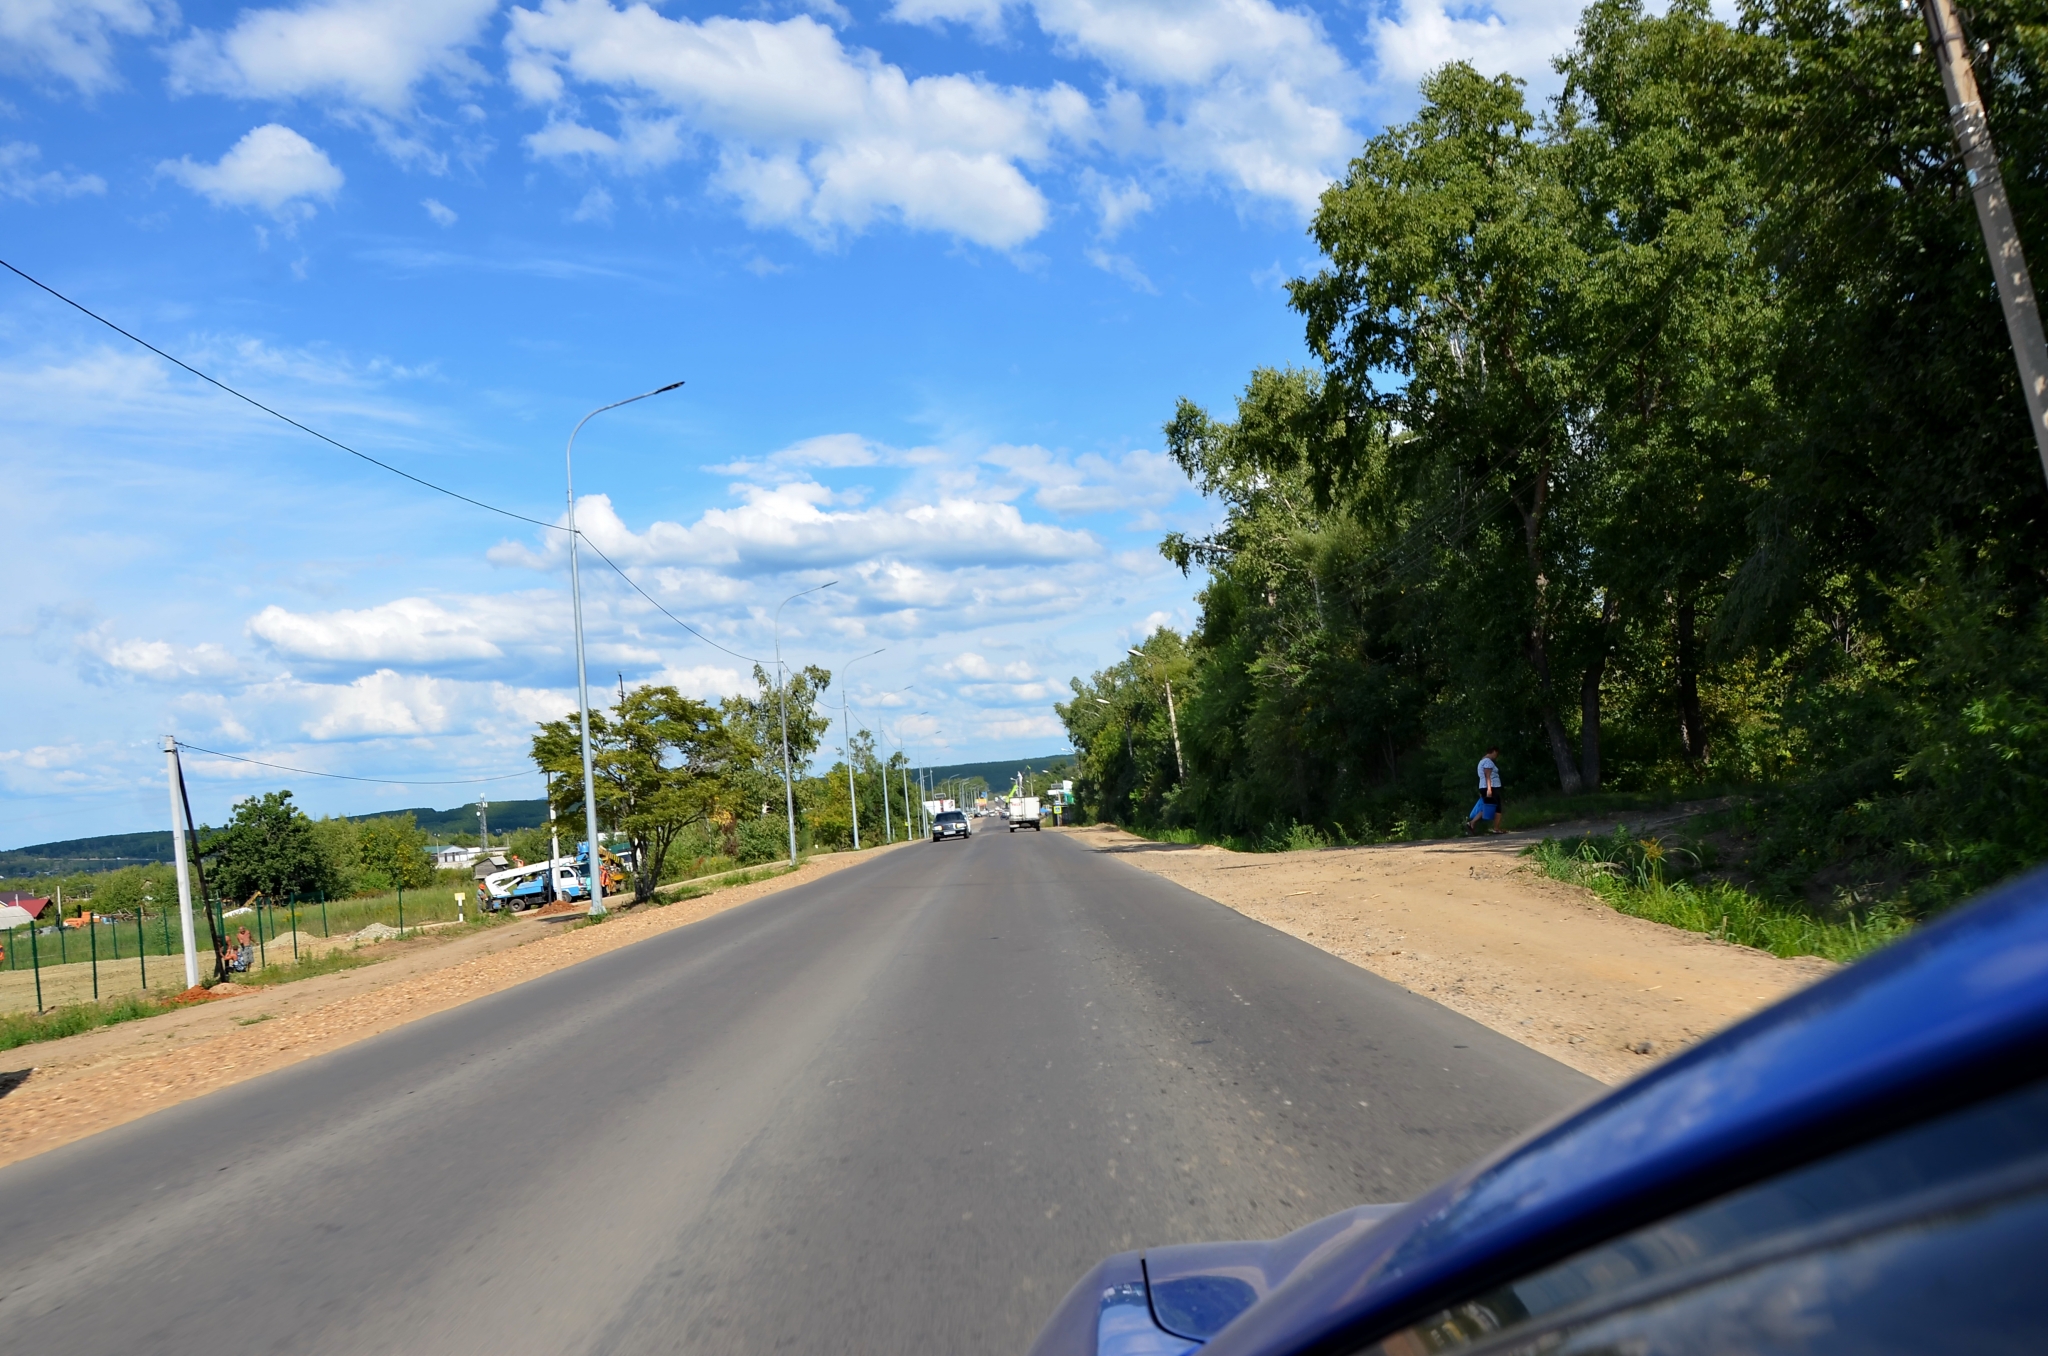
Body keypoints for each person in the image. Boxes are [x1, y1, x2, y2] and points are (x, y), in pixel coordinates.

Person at [1467, 746, 1504, 835]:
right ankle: (1496, 828)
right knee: (1497, 807)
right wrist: (1489, 789)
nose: (1496, 756)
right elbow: (1488, 776)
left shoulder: (1482, 761)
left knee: (1488, 807)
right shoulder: (1488, 762)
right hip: (1490, 787)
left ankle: (1472, 823)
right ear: (1493, 751)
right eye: (1496, 753)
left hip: (1485, 787)